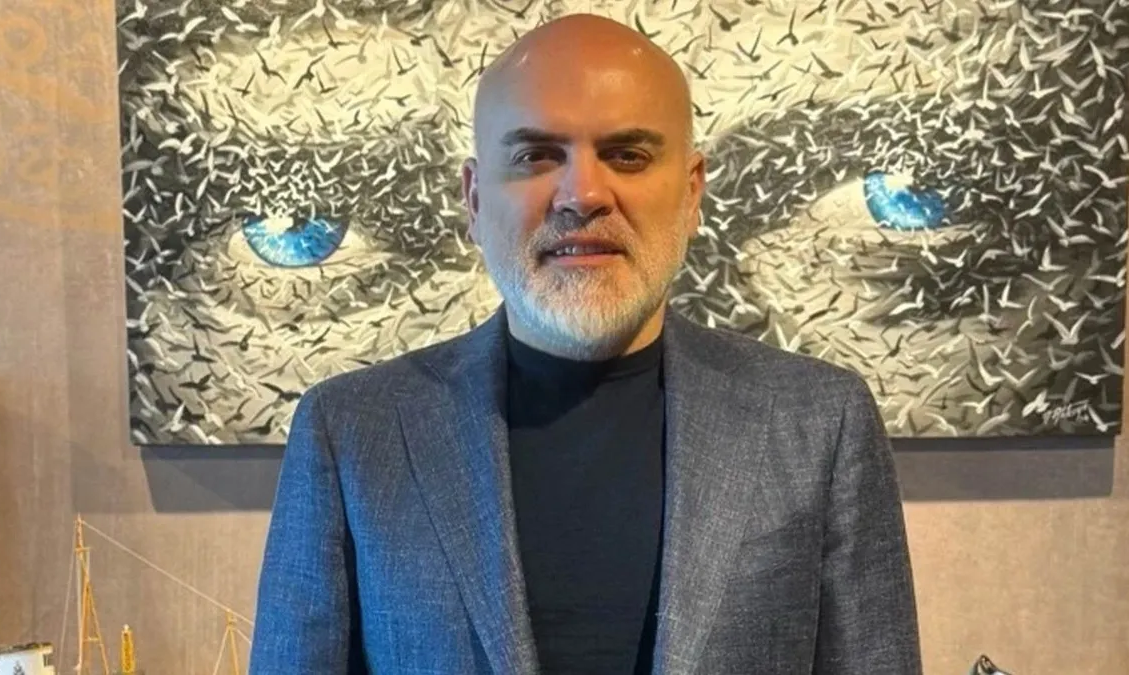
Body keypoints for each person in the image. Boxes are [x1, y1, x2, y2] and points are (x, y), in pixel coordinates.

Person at [249, 13, 921, 675]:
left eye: (627, 155)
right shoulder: (352, 431)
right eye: (537, 156)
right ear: (475, 200)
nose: (584, 194)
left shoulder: (820, 422)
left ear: (692, 194)